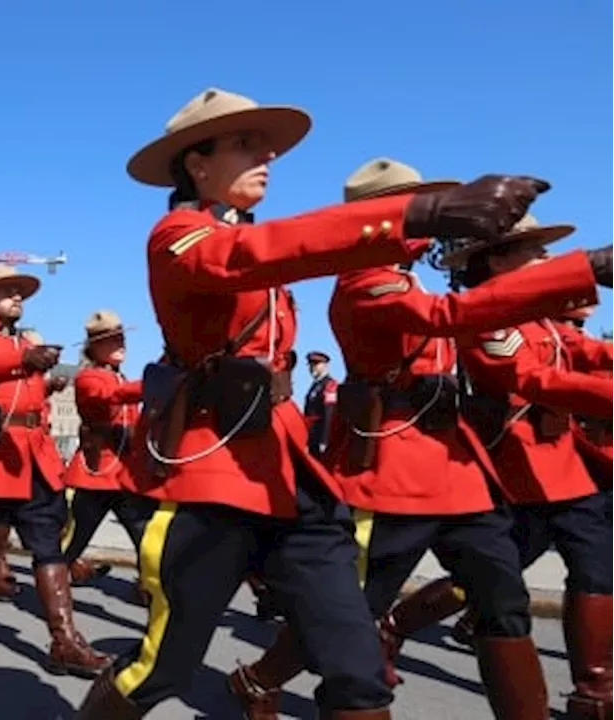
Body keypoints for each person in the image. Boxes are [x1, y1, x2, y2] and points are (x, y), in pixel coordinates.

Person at [75, 87, 547, 719]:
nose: (268, 153)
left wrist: (581, 270)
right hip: (213, 481)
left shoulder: (247, 241)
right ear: (197, 163)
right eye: (245, 142)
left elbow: (278, 254)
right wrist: (422, 212)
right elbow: (251, 256)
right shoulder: (178, 236)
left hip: (289, 473)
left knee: (356, 664)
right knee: (163, 667)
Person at [227, 158, 614, 719]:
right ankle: (260, 679)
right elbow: (448, 315)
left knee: (503, 601)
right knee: (352, 610)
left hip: (456, 474)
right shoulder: (367, 282)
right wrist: (584, 270)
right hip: (393, 472)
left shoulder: (404, 278)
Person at [391, 215, 614, 719]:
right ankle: (397, 623)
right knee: (489, 575)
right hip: (511, 466)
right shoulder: (486, 318)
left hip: (560, 467)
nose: (547, 260)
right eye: (534, 251)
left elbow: (584, 350)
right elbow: (531, 379)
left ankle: (595, 693)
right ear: (497, 260)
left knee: (597, 566)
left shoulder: (538, 317)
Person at [0, 263, 109, 677]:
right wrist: (21, 359)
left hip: (32, 459)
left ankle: (64, 640)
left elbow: (26, 399)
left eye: (19, 292)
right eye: (7, 291)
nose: (17, 298)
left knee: (48, 547)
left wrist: (44, 381)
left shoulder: (30, 340)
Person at [60, 310, 154, 590]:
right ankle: (51, 580)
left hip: (123, 474)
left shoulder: (122, 378)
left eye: (121, 338)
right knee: (74, 538)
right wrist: (154, 383)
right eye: (111, 340)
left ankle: (148, 588)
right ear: (94, 347)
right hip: (96, 473)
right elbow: (109, 397)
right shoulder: (89, 378)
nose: (120, 344)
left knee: (145, 537)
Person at [304, 351, 338, 458]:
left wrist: (324, 439)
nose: (312, 368)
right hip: (311, 435)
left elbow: (329, 413)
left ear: (325, 365)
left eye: (316, 364)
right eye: (311, 365)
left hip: (319, 435)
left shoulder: (329, 384)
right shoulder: (315, 385)